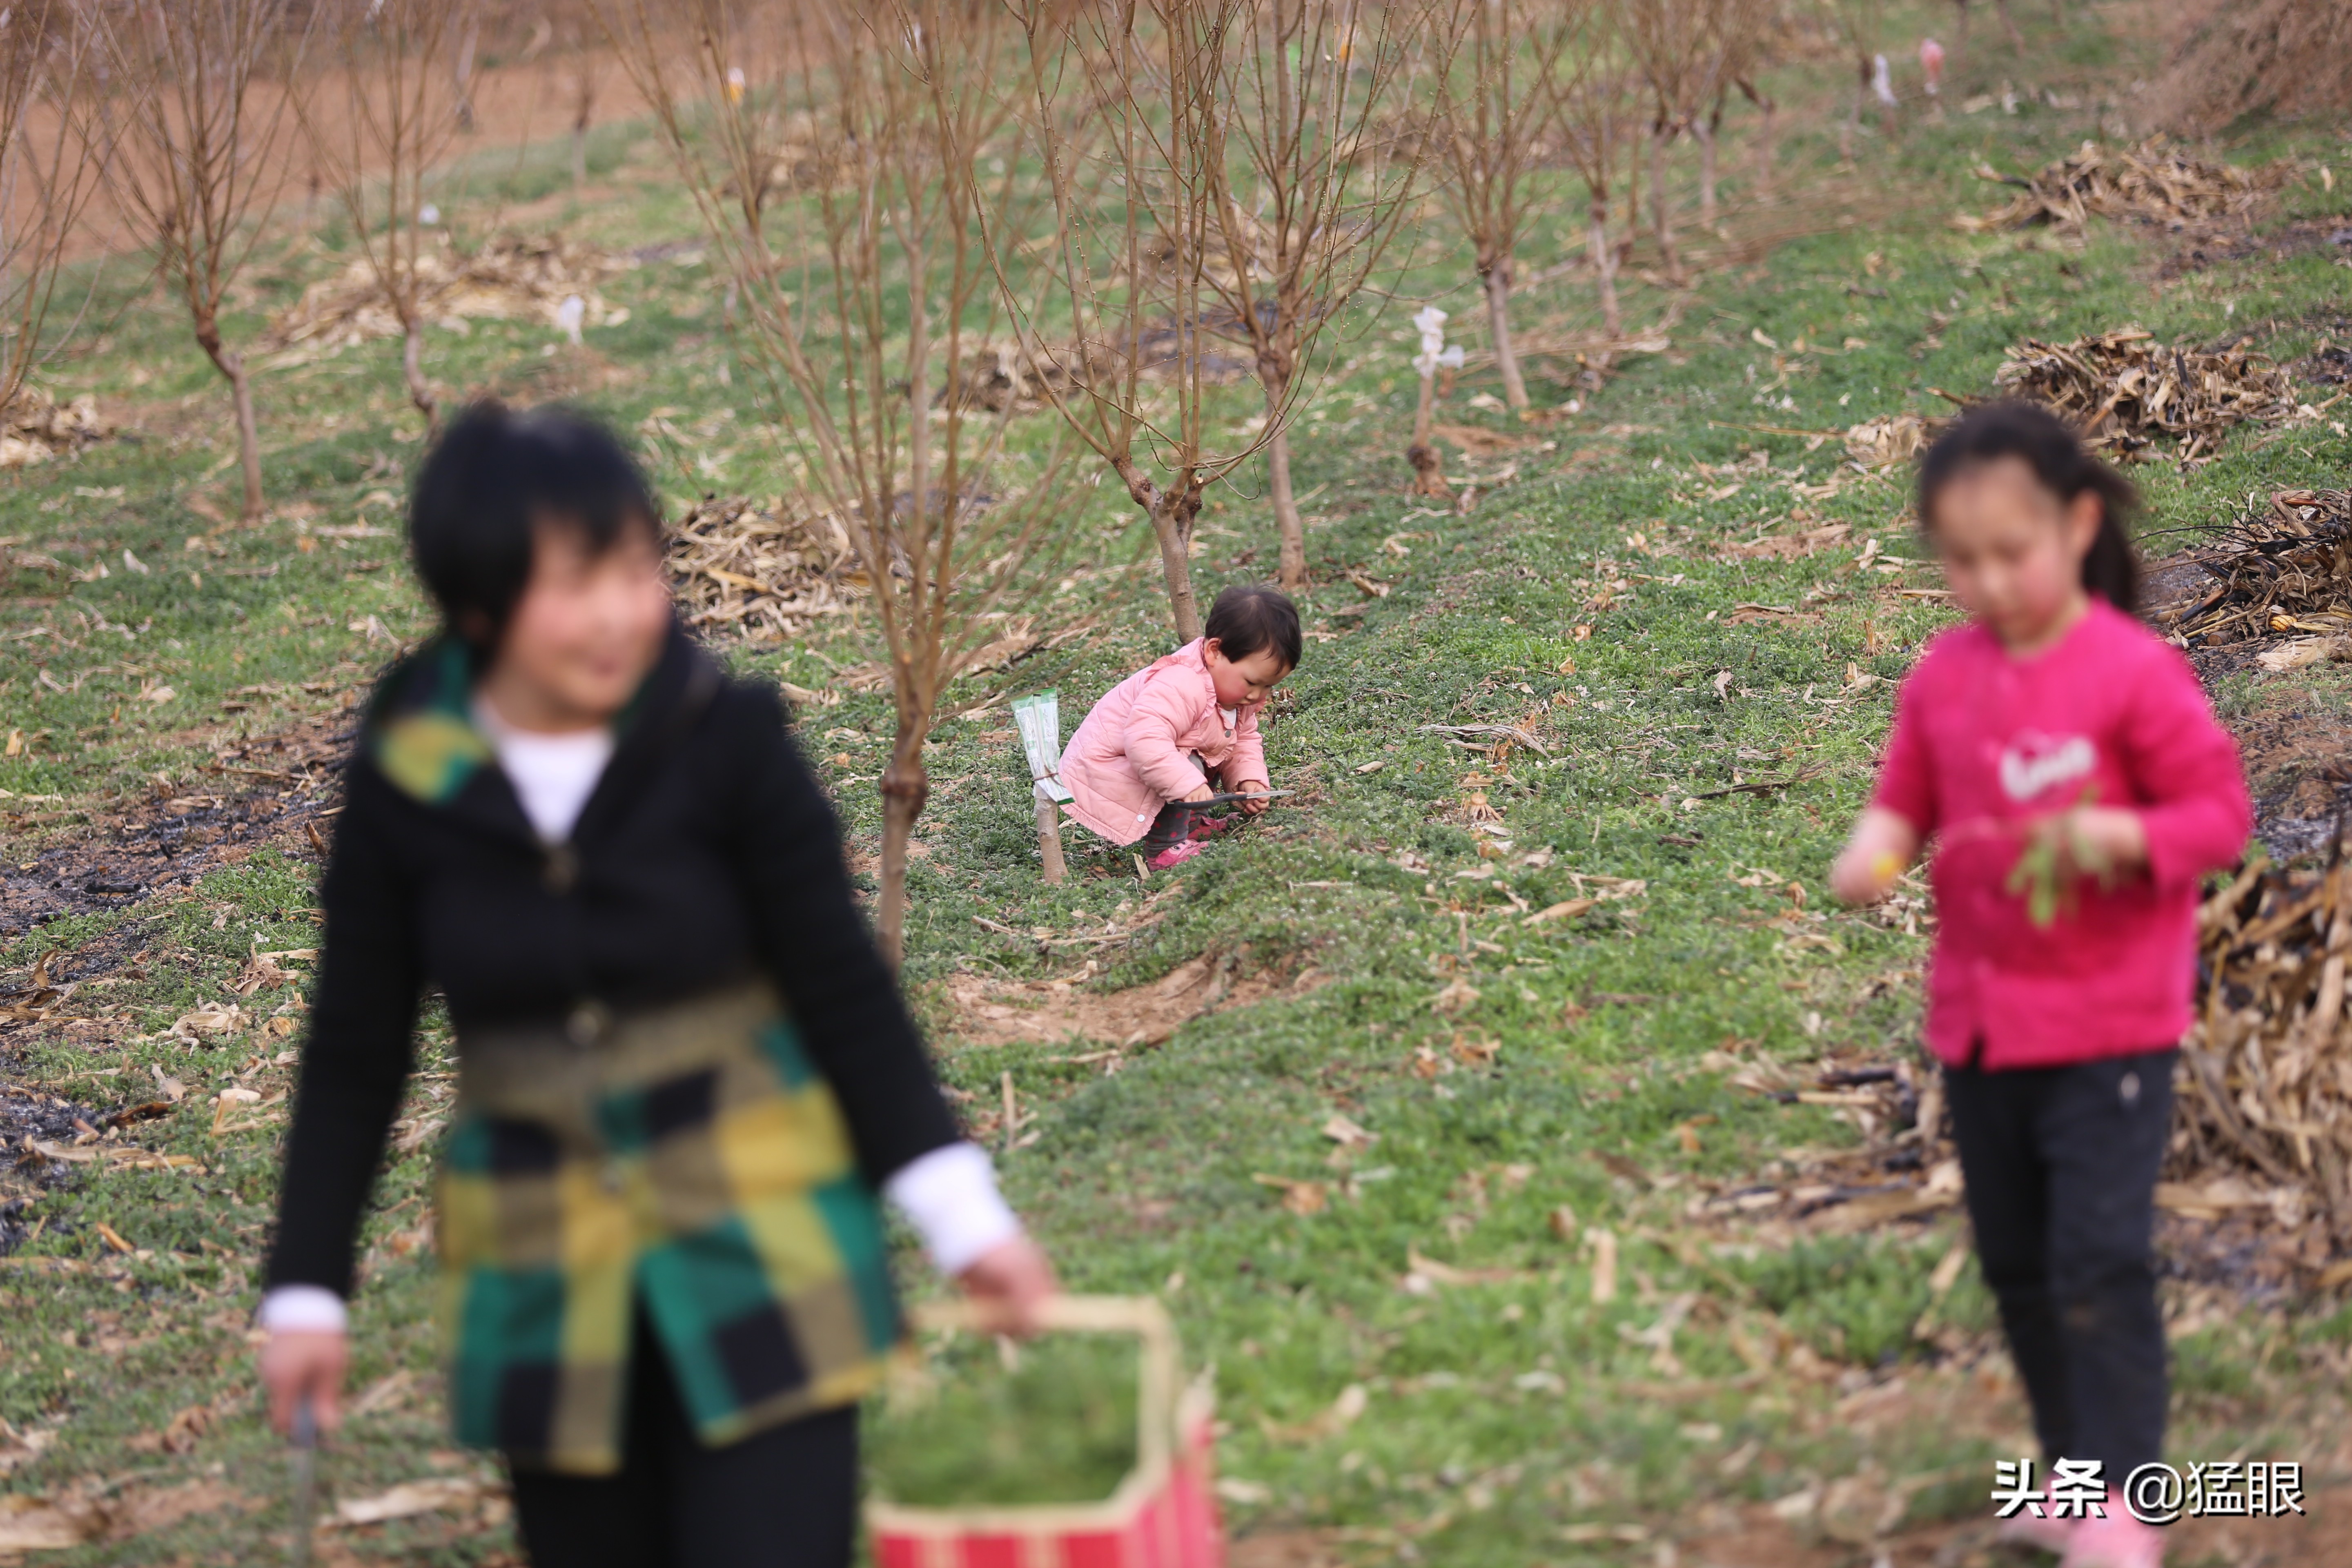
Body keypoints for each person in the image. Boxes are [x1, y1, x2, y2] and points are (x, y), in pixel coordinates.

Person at [256, 402, 1055, 1568]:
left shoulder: (721, 740)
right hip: (543, 1276)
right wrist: (307, 1290)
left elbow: (841, 988)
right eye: (576, 585)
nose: (624, 613)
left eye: (639, 570)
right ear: (478, 608)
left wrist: (960, 1218)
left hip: (761, 1240)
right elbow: (354, 1048)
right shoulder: (410, 783)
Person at [1829, 402, 2250, 1568]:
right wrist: (1874, 852)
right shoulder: (1945, 678)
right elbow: (1904, 800)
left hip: (2109, 1026)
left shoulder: (2132, 673)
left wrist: (2120, 838)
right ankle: (2070, 1473)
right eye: (1962, 561)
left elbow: (2218, 817)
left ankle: (2126, 1498)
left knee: (2096, 1259)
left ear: (2074, 527)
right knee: (2018, 1261)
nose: (1989, 582)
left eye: (2011, 554)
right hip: (1979, 1028)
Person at [1058, 584, 1300, 870]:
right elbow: (1146, 742)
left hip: (1151, 760)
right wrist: (1186, 784)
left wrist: (1249, 781)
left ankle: (1190, 829)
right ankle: (1163, 849)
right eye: (1251, 682)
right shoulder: (1181, 683)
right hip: (1108, 766)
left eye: (1268, 687)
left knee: (1207, 754)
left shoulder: (1236, 696)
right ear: (1214, 652)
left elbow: (1243, 740)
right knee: (1189, 769)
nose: (1257, 696)